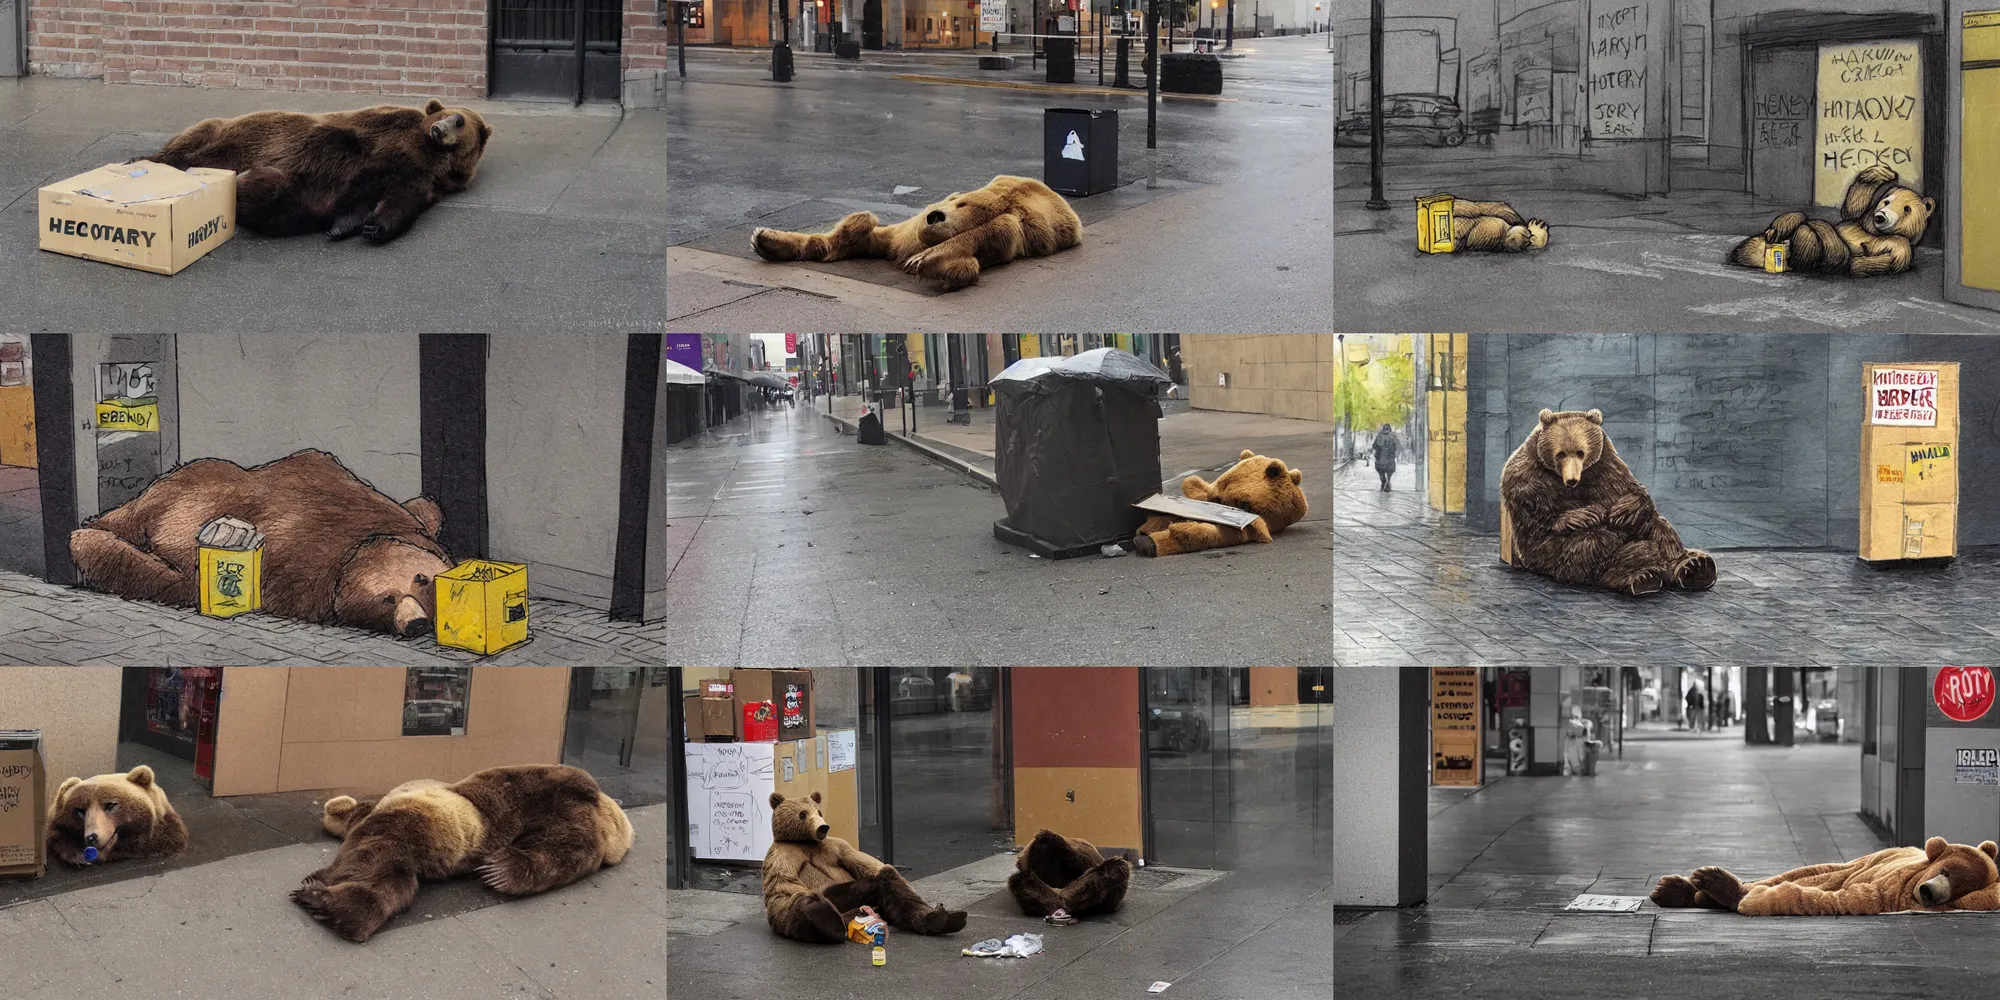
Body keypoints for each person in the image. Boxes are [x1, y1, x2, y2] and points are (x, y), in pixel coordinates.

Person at [1371, 423, 1398, 492]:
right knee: (1390, 471)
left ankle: (1383, 481)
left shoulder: (1379, 437)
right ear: (1390, 429)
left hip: (1380, 460)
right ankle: (1388, 481)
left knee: (1380, 471)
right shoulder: (1393, 438)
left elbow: (1374, 446)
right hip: (1390, 460)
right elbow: (1397, 448)